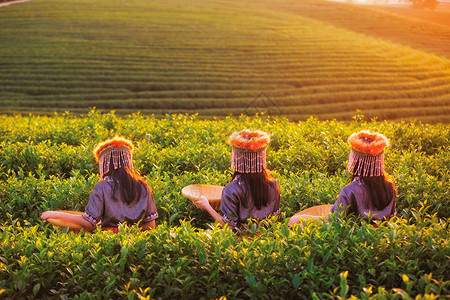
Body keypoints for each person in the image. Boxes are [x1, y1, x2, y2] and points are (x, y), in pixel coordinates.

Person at [41, 137, 158, 232]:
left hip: (109, 242)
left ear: (106, 164)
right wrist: (128, 231)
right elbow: (151, 225)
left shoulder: (102, 187)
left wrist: (55, 214)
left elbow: (88, 221)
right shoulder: (143, 186)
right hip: (136, 242)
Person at [288, 130, 396, 226]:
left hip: (356, 239)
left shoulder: (350, 190)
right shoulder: (389, 186)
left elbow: (333, 219)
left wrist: (302, 217)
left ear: (356, 161)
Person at [195, 129, 280, 230]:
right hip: (267, 240)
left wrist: (207, 206)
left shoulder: (232, 190)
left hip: (242, 244)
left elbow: (229, 227)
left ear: (237, 159)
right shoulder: (273, 185)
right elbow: (274, 220)